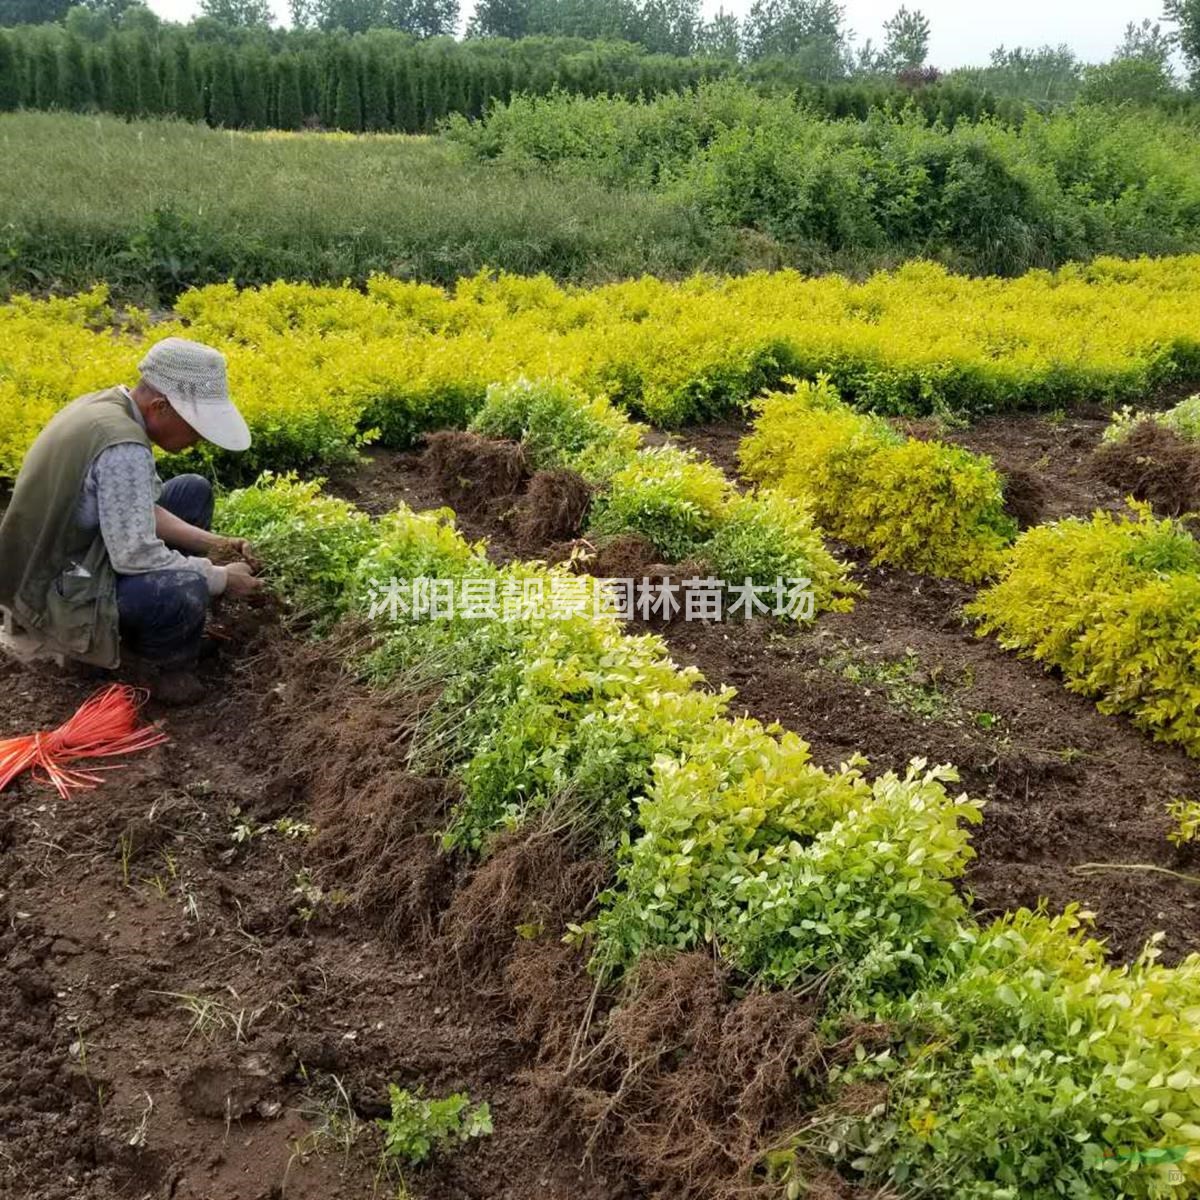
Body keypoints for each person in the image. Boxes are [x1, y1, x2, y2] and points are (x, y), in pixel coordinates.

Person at [0, 337, 264, 704]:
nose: (198, 440)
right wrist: (219, 577)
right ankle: (161, 670)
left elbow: (139, 510)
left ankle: (153, 627)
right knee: (184, 587)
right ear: (161, 407)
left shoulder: (106, 407)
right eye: (196, 427)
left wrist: (216, 543)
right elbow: (135, 555)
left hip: (62, 559)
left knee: (191, 490)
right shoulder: (123, 448)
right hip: (57, 589)